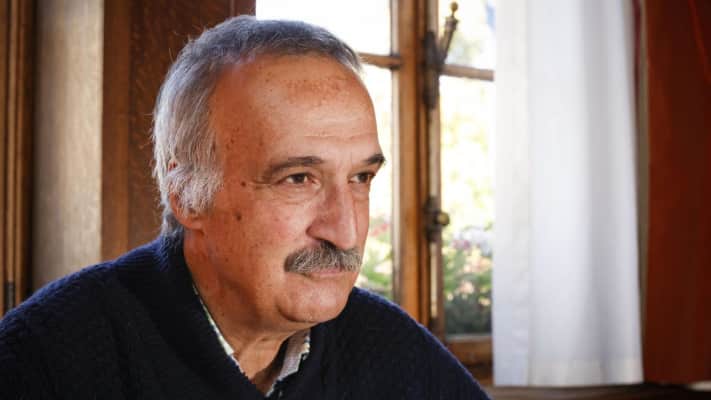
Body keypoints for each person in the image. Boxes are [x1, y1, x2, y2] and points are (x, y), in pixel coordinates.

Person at [0, 16, 490, 399]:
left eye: (360, 178)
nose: (345, 231)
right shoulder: (42, 360)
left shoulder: (391, 349)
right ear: (186, 192)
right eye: (298, 179)